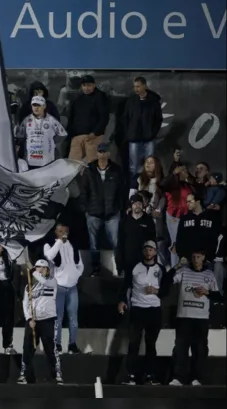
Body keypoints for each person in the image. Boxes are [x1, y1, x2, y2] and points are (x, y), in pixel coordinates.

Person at [166, 251, 222, 386]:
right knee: (180, 348)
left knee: (200, 349)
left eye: (198, 256)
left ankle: (197, 377)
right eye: (194, 257)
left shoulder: (209, 275)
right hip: (183, 316)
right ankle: (179, 377)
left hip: (201, 318)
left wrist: (206, 292)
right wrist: (176, 266)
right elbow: (167, 280)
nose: (196, 259)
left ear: (203, 257)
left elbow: (218, 297)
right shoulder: (184, 271)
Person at [118, 240, 169, 385]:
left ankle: (150, 375)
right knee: (133, 343)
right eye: (146, 249)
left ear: (155, 252)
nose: (148, 252)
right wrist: (122, 301)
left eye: (151, 250)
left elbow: (166, 290)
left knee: (151, 344)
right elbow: (126, 285)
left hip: (154, 310)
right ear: (143, 251)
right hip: (137, 309)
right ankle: (131, 376)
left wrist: (156, 290)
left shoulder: (160, 269)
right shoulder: (134, 267)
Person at [79, 143, 124, 276]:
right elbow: (83, 191)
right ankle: (96, 270)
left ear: (109, 154)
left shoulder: (116, 170)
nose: (102, 154)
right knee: (94, 244)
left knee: (116, 243)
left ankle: (119, 269)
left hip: (112, 213)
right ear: (97, 153)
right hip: (93, 213)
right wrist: (86, 209)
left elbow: (121, 191)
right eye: (100, 152)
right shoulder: (89, 170)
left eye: (105, 152)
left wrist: (119, 208)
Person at [19, 260, 62, 384]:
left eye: (44, 268)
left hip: (47, 320)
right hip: (33, 321)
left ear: (48, 270)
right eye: (38, 267)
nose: (41, 269)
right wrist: (28, 318)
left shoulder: (52, 281)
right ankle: (25, 374)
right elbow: (25, 303)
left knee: (50, 347)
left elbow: (43, 281)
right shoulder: (29, 286)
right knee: (27, 347)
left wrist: (33, 270)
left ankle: (56, 374)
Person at [43, 222, 84, 354]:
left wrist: (76, 275)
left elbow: (80, 264)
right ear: (55, 232)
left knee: (73, 318)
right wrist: (59, 242)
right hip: (59, 287)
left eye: (65, 231)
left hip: (72, 287)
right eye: (60, 231)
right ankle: (57, 344)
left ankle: (72, 344)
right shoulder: (49, 245)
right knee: (58, 318)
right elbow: (49, 256)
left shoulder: (72, 245)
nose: (63, 233)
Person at [120, 77, 164, 176]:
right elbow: (126, 117)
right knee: (134, 165)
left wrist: (152, 133)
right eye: (135, 86)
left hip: (149, 139)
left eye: (138, 86)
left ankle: (148, 187)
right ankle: (134, 187)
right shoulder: (131, 100)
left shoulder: (154, 101)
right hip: (133, 138)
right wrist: (129, 133)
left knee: (150, 165)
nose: (136, 89)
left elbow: (158, 119)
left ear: (145, 86)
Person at [66, 74, 110, 163]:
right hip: (77, 137)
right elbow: (72, 117)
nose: (86, 88)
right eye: (84, 85)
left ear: (94, 85)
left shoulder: (100, 97)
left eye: (89, 85)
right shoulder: (78, 99)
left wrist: (95, 132)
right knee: (73, 164)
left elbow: (104, 117)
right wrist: (71, 134)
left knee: (92, 163)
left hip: (93, 137)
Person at [117, 194, 158, 277]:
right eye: (135, 204)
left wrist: (153, 261)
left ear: (143, 205)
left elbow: (153, 241)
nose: (137, 206)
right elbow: (120, 243)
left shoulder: (148, 220)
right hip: (128, 261)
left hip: (144, 260)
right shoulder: (124, 221)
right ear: (131, 205)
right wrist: (120, 265)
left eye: (139, 204)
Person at [173, 193, 220, 264]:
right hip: (188, 259)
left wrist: (210, 257)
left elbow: (214, 237)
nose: (187, 204)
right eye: (187, 202)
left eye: (190, 201)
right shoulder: (184, 218)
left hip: (206, 260)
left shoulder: (211, 217)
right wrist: (182, 256)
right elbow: (180, 237)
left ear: (198, 202)